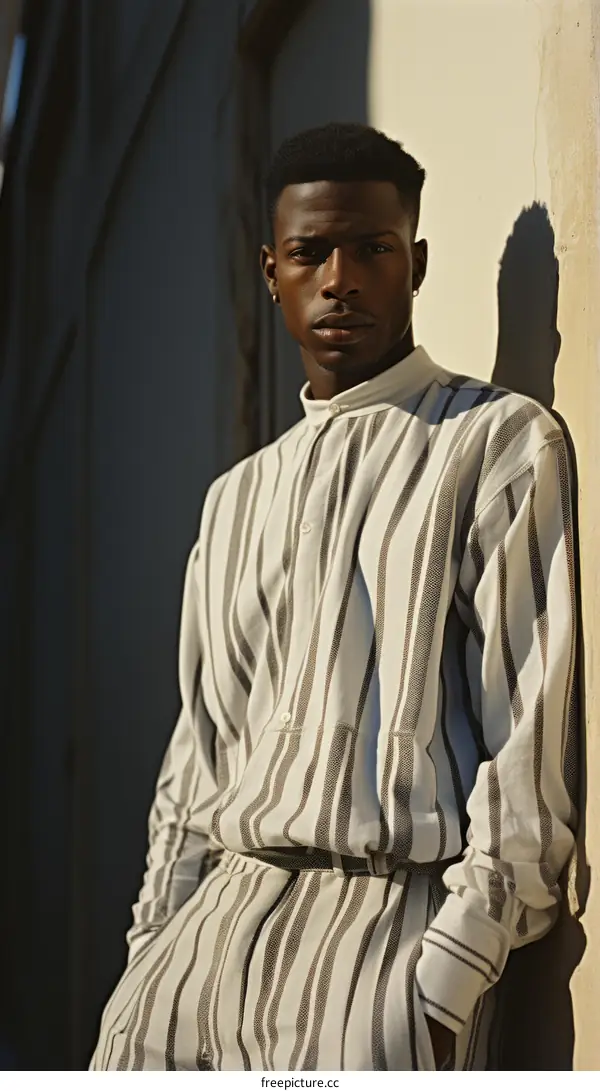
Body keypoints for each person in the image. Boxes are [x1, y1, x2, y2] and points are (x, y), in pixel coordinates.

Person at [90, 122, 578, 1072]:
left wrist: (446, 984)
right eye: (312, 252)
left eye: (373, 248)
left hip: (384, 956)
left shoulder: (500, 445)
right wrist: (150, 953)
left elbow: (529, 741)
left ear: (417, 261)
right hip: (201, 958)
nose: (341, 277)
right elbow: (201, 753)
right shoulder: (234, 498)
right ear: (271, 271)